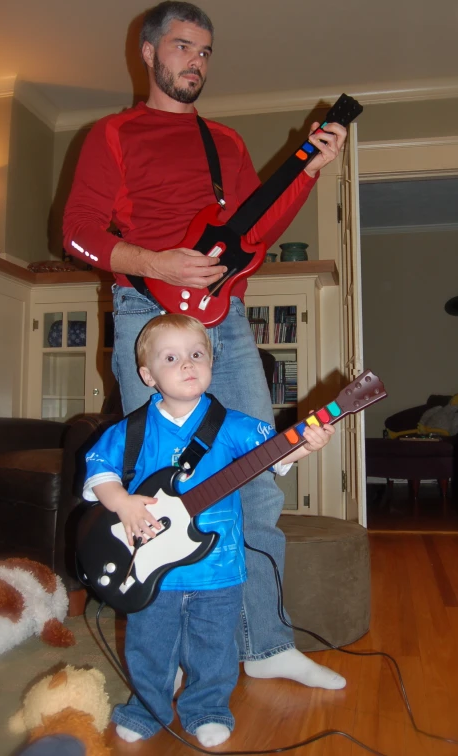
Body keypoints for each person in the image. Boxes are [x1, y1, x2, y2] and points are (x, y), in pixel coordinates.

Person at [63, 1, 347, 694]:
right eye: (184, 46)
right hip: (146, 310)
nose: (196, 61)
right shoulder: (114, 132)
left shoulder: (226, 143)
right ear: (150, 52)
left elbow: (256, 229)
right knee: (161, 483)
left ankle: (265, 642)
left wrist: (310, 170)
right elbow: (75, 231)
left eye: (206, 52)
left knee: (253, 477)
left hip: (223, 322)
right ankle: (173, 653)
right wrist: (155, 263)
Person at [83, 314, 336, 744]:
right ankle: (148, 707)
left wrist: (304, 443)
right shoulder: (133, 429)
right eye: (171, 357)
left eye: (197, 354)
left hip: (219, 566)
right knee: (149, 644)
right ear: (147, 375)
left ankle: (206, 708)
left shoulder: (234, 425)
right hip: (151, 570)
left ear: (212, 363)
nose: (187, 364)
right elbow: (99, 469)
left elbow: (275, 454)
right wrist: (121, 502)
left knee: (214, 646)